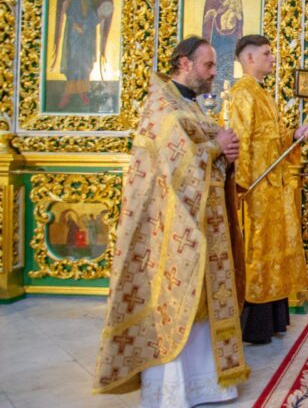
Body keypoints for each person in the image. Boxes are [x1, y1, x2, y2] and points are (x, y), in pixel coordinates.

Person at [94, 37, 249, 406]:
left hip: (203, 221)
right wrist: (217, 147)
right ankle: (172, 389)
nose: (213, 73)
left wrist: (226, 156)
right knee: (177, 297)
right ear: (184, 63)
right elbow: (174, 166)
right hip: (169, 226)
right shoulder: (161, 108)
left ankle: (208, 382)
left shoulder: (190, 105)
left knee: (203, 299)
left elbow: (206, 155)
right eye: (208, 65)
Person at [228, 34, 308, 344]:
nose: (272, 58)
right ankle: (254, 325)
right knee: (257, 253)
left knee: (273, 251)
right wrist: (241, 187)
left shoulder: (262, 93)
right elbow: (240, 142)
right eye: (266, 53)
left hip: (272, 186)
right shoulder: (242, 94)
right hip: (256, 191)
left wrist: (294, 135)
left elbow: (274, 138)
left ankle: (274, 319)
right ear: (249, 58)